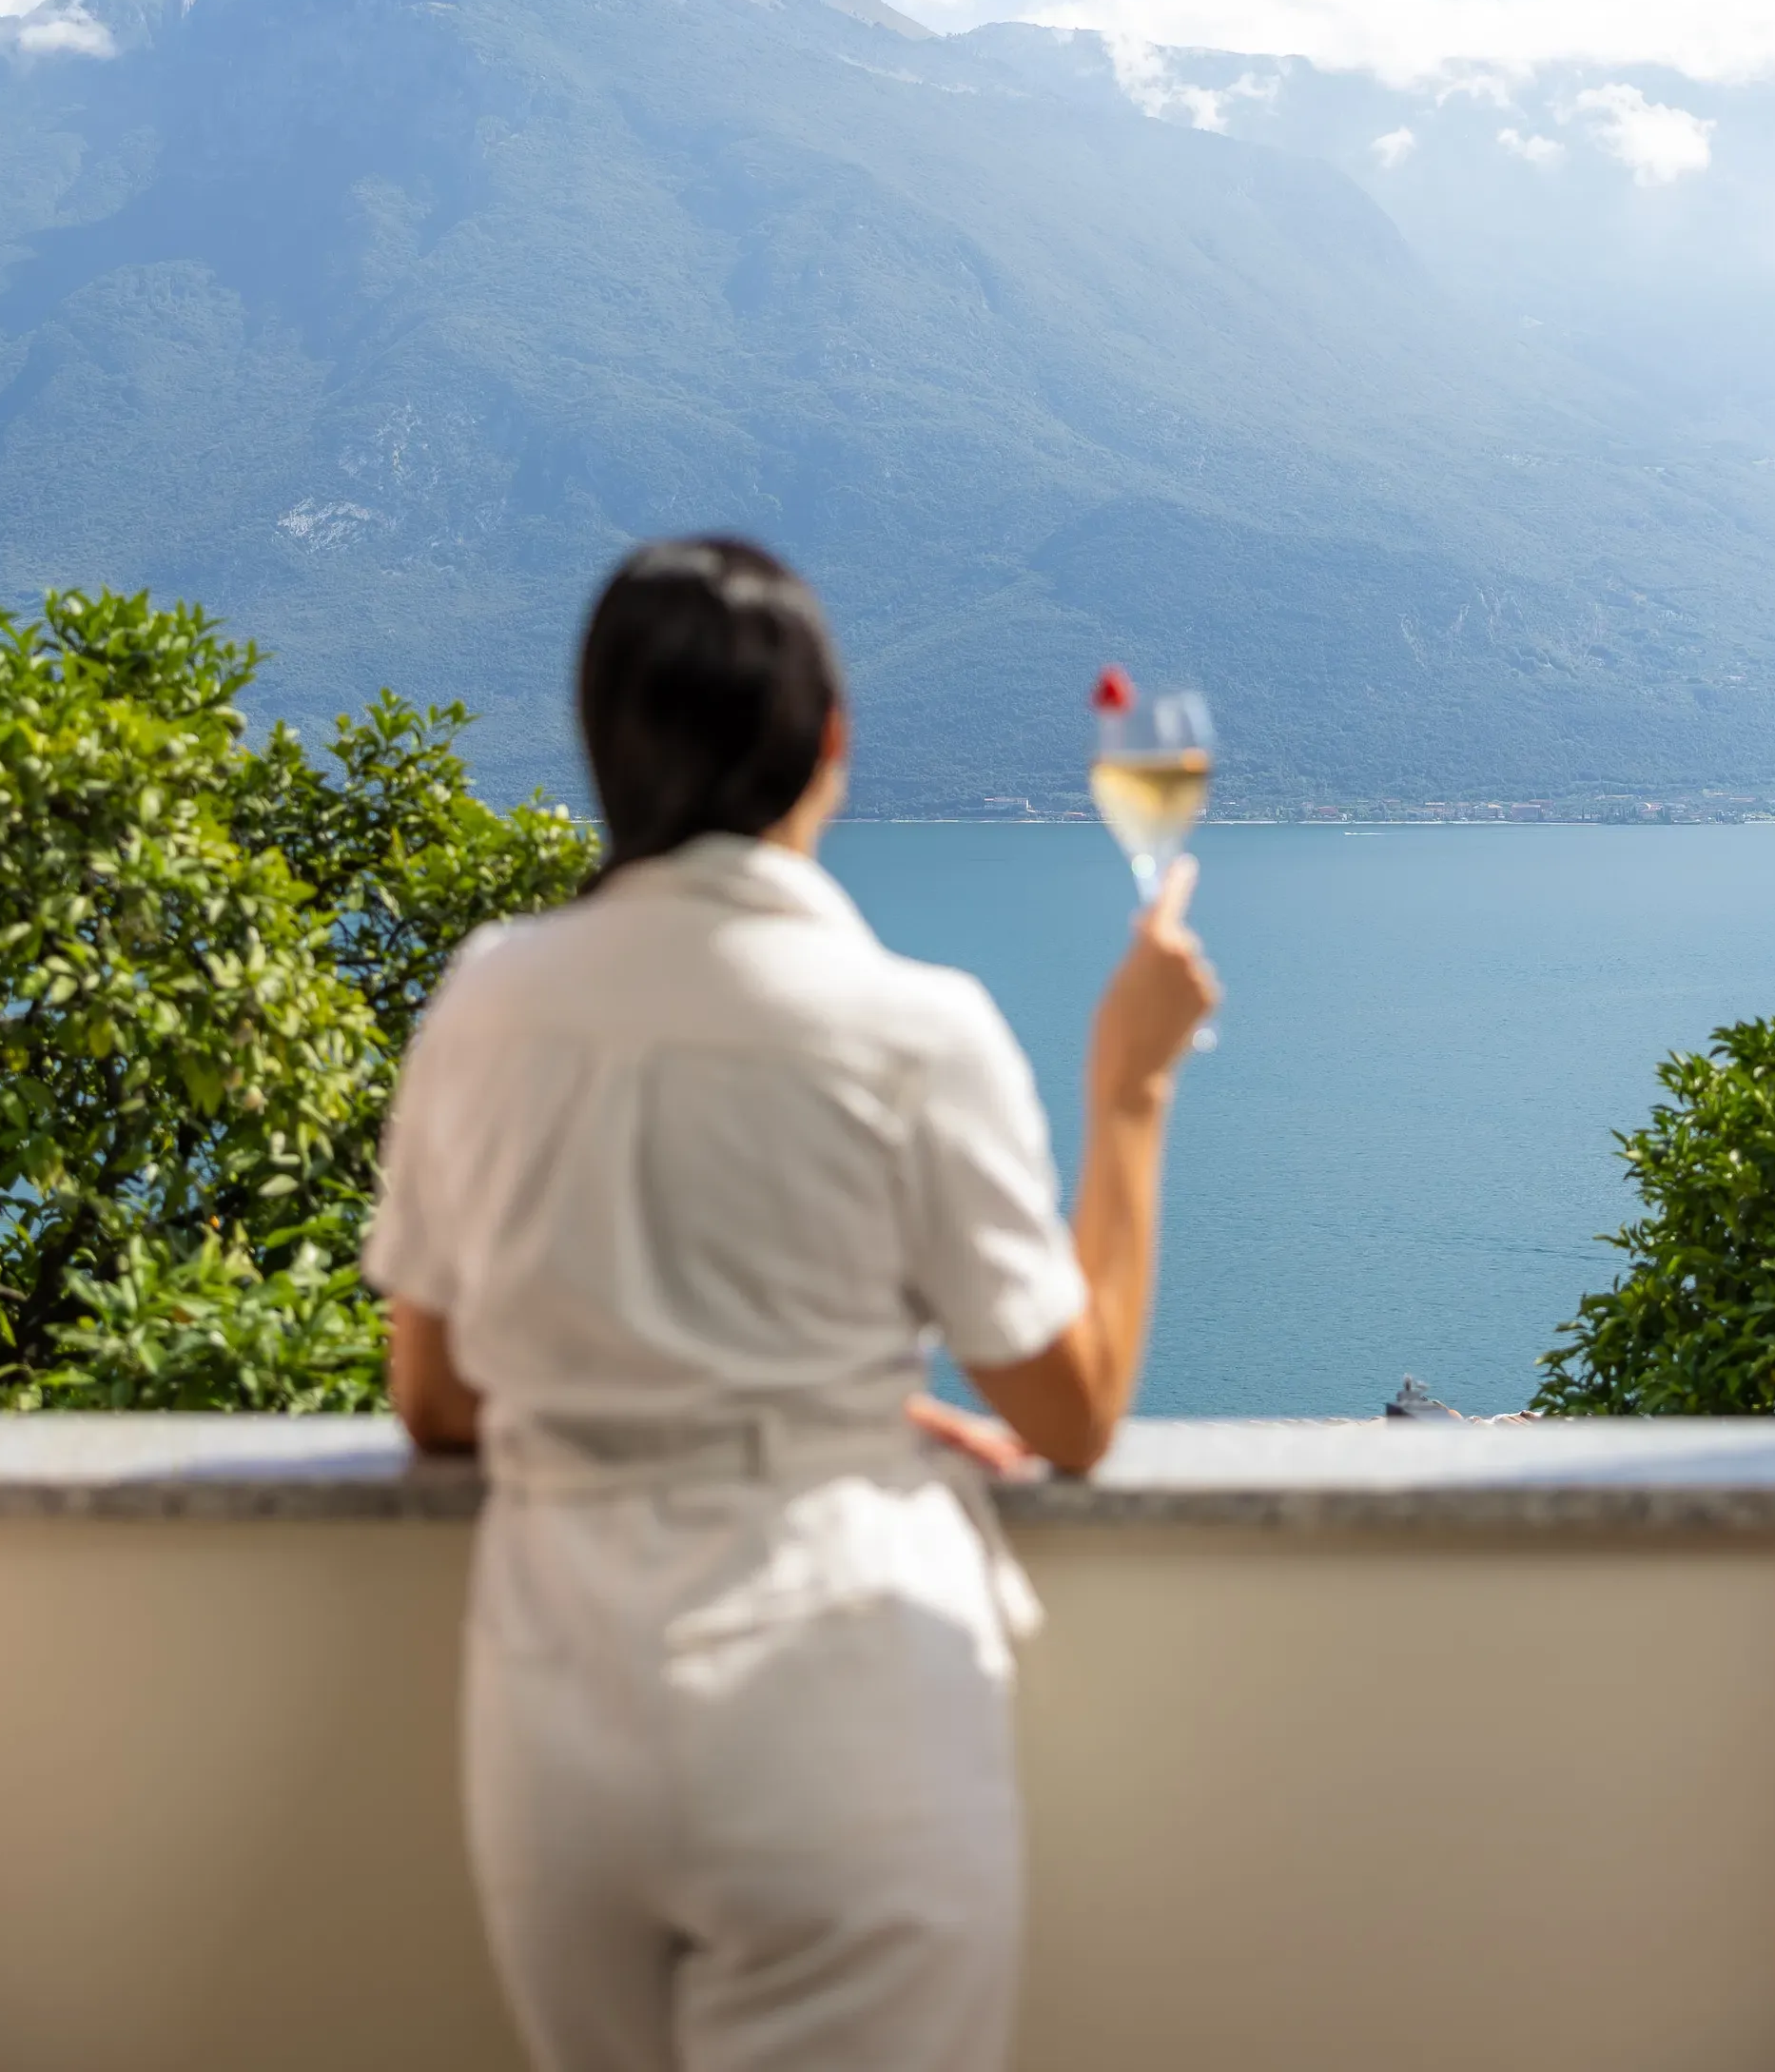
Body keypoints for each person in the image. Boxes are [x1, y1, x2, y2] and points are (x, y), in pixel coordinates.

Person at [367, 535, 1219, 2072]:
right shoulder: (910, 1028)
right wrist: (1135, 1083)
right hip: (839, 1704)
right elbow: (1075, 1412)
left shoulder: (487, 999)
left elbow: (436, 1403)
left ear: (604, 743)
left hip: (557, 1720)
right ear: (829, 742)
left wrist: (750, 1380)